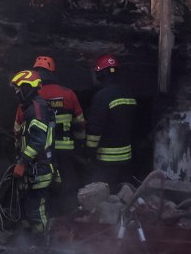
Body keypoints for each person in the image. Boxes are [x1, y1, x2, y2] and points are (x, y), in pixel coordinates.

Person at [15, 55, 85, 214]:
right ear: (53, 72)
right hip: (65, 150)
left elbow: (18, 129)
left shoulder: (28, 96)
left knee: (41, 190)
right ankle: (68, 218)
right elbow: (80, 124)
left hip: (40, 154)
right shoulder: (69, 94)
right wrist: (80, 146)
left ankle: (47, 217)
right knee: (67, 186)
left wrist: (20, 152)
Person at [11, 70, 56, 233]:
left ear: (28, 88)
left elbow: (38, 140)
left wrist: (22, 162)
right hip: (33, 168)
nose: (17, 93)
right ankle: (29, 240)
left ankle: (43, 241)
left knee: (36, 211)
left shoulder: (37, 109)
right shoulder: (30, 107)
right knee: (26, 209)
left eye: (19, 89)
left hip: (39, 167)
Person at [84, 54, 137, 189]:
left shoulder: (102, 97)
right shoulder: (128, 94)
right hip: (127, 159)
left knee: (99, 193)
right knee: (124, 192)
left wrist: (89, 153)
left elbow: (95, 130)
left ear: (100, 75)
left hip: (105, 161)